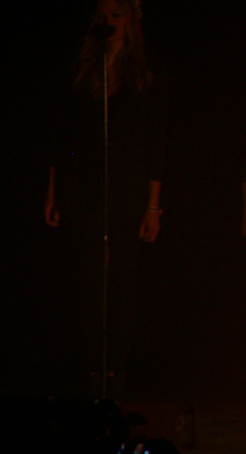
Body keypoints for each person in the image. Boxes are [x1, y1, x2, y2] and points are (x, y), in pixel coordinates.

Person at [45, 0, 167, 396]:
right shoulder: (85, 77)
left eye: (117, 15)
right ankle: (94, 367)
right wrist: (54, 192)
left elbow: (154, 146)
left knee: (123, 282)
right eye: (103, 15)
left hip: (128, 190)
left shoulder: (142, 80)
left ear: (130, 21)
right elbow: (65, 141)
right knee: (90, 281)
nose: (109, 22)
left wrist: (153, 206)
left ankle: (117, 367)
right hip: (87, 190)